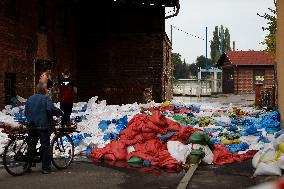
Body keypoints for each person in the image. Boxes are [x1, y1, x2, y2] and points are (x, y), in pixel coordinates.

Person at [25, 83, 63, 174]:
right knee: (45, 146)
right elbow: (50, 110)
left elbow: (26, 112)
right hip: (43, 126)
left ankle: (27, 165)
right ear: (45, 90)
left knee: (31, 144)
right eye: (47, 89)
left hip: (31, 125)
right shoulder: (46, 98)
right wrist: (60, 112)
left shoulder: (30, 99)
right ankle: (46, 168)